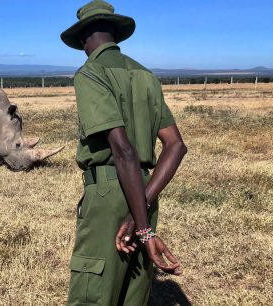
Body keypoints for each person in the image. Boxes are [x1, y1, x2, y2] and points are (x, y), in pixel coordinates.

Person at [60, 1, 188, 305]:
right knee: (134, 291)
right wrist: (142, 209)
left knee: (93, 290)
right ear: (116, 35)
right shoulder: (146, 76)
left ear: (83, 41)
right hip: (146, 191)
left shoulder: (90, 73)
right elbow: (176, 145)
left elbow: (123, 150)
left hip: (110, 191)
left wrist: (140, 224)